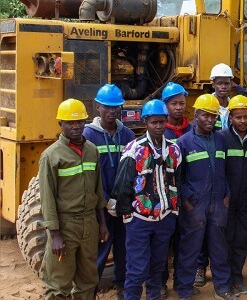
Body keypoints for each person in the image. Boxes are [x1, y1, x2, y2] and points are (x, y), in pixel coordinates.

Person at [39, 99, 109, 300]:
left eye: (80, 122)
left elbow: (98, 190)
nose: (76, 126)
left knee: (88, 281)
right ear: (60, 124)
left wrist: (102, 223)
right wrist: (55, 234)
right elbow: (48, 198)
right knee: (58, 285)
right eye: (70, 122)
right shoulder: (51, 156)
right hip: (65, 225)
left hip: (89, 223)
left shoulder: (92, 151)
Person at [111, 99, 182, 300]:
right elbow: (123, 185)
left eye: (161, 122)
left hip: (165, 219)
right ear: (146, 122)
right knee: (136, 269)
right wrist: (128, 216)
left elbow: (178, 181)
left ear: (166, 121)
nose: (158, 126)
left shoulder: (174, 150)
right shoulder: (134, 149)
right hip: (139, 220)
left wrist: (174, 212)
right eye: (153, 122)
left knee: (158, 268)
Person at [176, 94, 236, 300]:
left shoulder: (221, 139)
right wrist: (186, 201)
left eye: (213, 116)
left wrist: (226, 195)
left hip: (218, 202)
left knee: (220, 247)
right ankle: (184, 289)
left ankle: (222, 286)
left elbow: (226, 170)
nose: (210, 120)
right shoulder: (183, 142)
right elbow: (178, 177)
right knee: (189, 248)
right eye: (205, 116)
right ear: (195, 115)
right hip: (195, 204)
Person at [83, 85, 135, 299]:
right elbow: (89, 175)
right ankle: (91, 290)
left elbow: (133, 170)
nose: (112, 111)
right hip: (101, 207)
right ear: (97, 107)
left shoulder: (128, 134)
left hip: (123, 205)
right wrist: (104, 200)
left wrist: (123, 199)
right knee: (100, 250)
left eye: (116, 107)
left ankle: (122, 286)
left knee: (124, 248)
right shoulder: (88, 136)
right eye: (107, 107)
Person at [217, 95, 247, 295]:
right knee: (226, 240)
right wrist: (224, 194)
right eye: (238, 117)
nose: (242, 121)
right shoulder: (222, 138)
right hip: (227, 200)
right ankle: (226, 280)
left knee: (242, 239)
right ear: (231, 118)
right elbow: (219, 170)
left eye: (246, 117)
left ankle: (236, 277)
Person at [160, 82, 192, 295]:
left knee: (184, 244)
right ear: (166, 105)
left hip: (187, 197)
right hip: (165, 197)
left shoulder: (192, 129)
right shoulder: (161, 130)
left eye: (182, 103)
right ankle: (160, 283)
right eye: (174, 103)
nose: (179, 107)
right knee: (162, 244)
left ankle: (182, 285)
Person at [210, 63, 235, 131]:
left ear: (231, 84)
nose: (223, 87)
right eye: (219, 83)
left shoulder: (234, 107)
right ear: (213, 85)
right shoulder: (206, 106)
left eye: (226, 83)